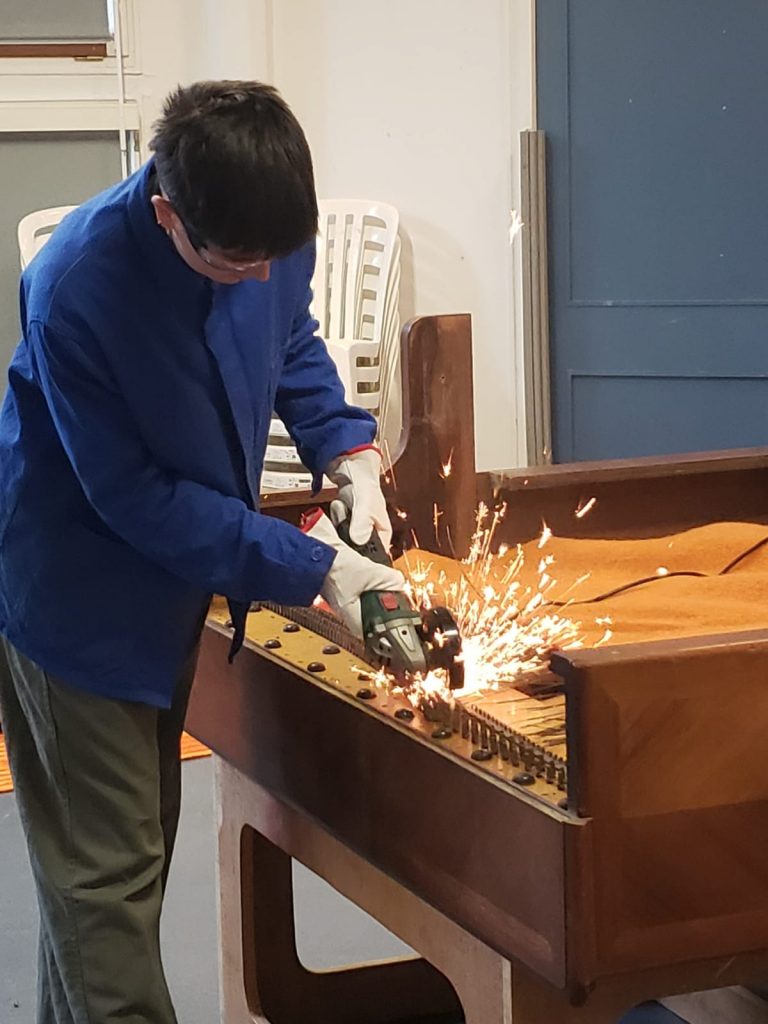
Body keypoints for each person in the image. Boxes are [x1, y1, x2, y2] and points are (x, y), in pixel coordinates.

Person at [0, 80, 403, 1024]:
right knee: (107, 884)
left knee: (118, 869)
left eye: (274, 258)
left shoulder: (261, 222)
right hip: (76, 598)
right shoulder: (76, 289)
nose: (260, 277)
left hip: (178, 575)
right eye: (235, 263)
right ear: (167, 213)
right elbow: (135, 499)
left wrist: (345, 446)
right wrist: (315, 567)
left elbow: (291, 338)